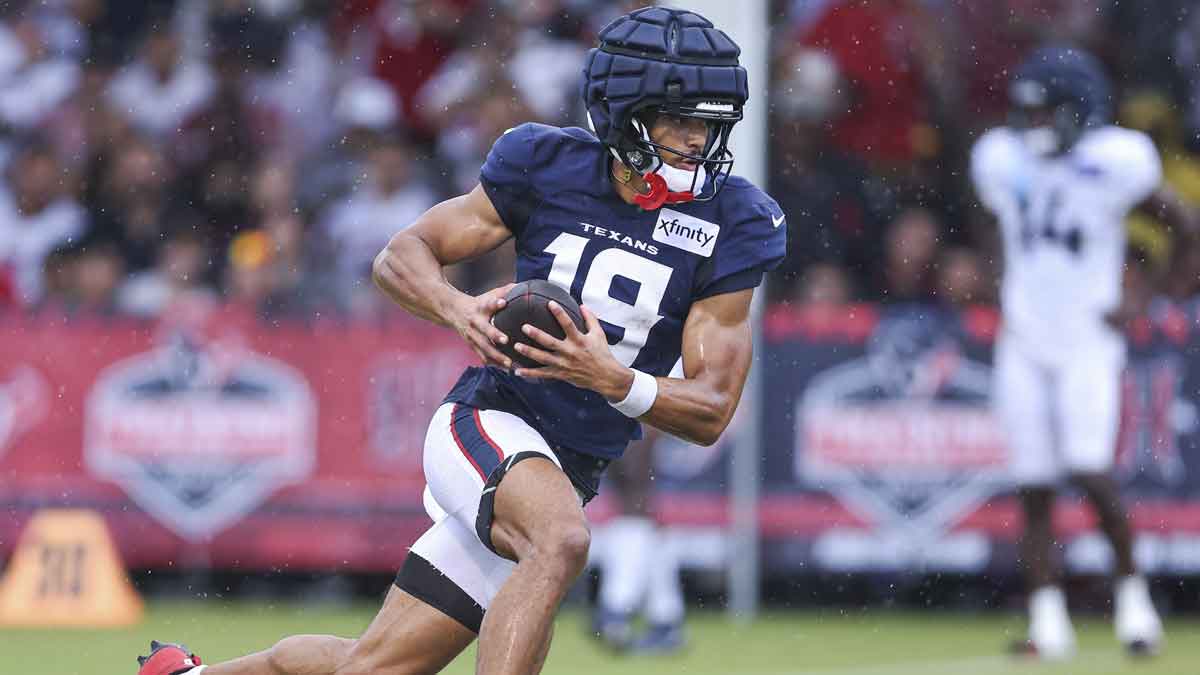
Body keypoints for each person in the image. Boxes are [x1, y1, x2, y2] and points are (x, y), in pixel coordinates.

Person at [135, 7, 785, 675]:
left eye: (708, 122)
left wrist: (613, 379)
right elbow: (401, 253)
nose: (696, 139)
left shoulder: (736, 220)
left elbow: (710, 410)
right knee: (560, 539)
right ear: (624, 113)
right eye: (678, 120)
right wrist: (457, 308)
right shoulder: (547, 162)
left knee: (374, 666)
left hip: (570, 465)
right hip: (490, 419)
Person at [970, 45, 1195, 660]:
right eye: (1028, 113)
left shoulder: (1113, 161)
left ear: (1079, 112)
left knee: (1091, 472)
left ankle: (1134, 607)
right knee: (1034, 486)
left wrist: (1145, 299)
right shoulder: (1003, 159)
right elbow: (993, 229)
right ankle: (1049, 625)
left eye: (1045, 113)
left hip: (1086, 339)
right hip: (1024, 337)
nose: (1033, 125)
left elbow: (1184, 225)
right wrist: (999, 283)